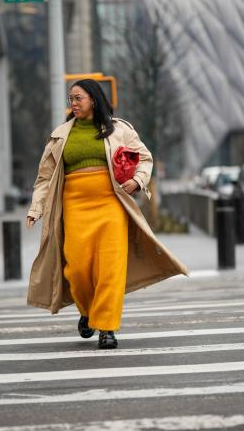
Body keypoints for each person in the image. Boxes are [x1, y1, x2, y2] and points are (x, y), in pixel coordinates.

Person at [26, 79, 189, 349]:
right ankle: (88, 311)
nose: (73, 104)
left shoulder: (119, 129)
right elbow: (45, 177)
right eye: (71, 99)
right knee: (76, 269)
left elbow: (144, 158)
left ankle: (107, 327)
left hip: (112, 206)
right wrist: (36, 208)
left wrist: (137, 181)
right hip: (74, 208)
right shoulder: (61, 135)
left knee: (110, 270)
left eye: (78, 98)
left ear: (93, 98)